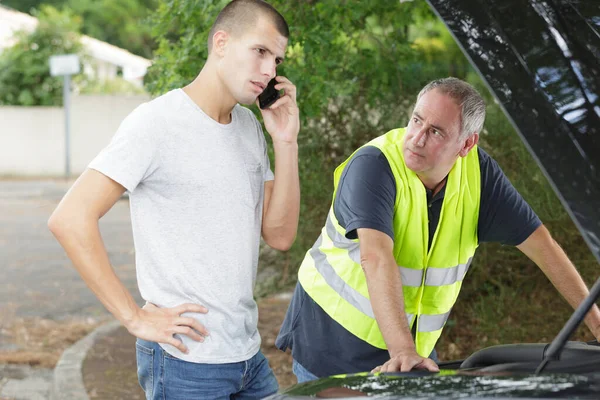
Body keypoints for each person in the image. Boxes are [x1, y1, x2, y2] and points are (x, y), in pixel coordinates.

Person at [48, 0, 300, 398]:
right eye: (260, 52)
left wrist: (286, 143)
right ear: (221, 42)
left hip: (247, 357)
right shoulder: (156, 123)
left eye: (277, 60)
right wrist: (134, 317)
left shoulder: (250, 128)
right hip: (185, 362)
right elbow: (70, 219)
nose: (270, 71)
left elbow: (281, 235)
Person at [275, 77, 600, 382]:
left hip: (410, 350)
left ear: (467, 144)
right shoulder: (374, 165)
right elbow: (375, 257)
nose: (416, 138)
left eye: (436, 132)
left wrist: (597, 325)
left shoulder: (480, 177)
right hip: (329, 344)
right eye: (416, 120)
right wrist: (403, 350)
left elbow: (544, 248)